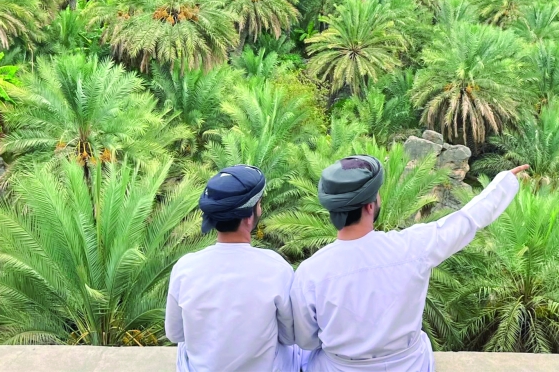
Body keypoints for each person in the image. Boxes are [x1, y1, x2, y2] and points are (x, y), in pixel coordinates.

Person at [291, 154, 528, 371]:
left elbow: (305, 339)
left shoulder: (310, 272)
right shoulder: (412, 247)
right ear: (371, 205)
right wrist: (504, 183)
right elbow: (466, 222)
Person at [166, 165, 304, 372]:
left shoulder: (185, 268)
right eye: (259, 204)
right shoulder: (276, 268)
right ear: (249, 217)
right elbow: (289, 336)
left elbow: (175, 334)